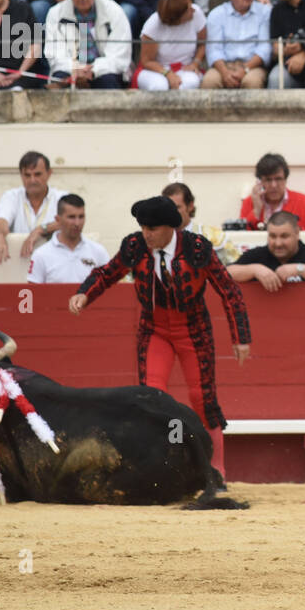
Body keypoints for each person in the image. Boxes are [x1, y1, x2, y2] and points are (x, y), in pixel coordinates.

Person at [72, 194, 252, 479]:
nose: (146, 234)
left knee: (202, 398)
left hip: (193, 331)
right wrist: (86, 292)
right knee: (153, 398)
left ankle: (217, 470)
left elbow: (229, 290)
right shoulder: (135, 246)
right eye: (143, 228)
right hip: (154, 330)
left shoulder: (196, 248)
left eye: (152, 229)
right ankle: (164, 465)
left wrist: (240, 336)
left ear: (171, 228)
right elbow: (108, 272)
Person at [43, 0, 133, 88]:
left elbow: (119, 56)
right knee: (59, 80)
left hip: (104, 69)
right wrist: (76, 69)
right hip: (70, 69)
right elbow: (55, 54)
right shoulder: (55, 13)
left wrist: (93, 70)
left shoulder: (114, 10)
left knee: (108, 81)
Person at [228, 210, 305, 290]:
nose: (278, 243)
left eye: (284, 236)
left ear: (297, 233)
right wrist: (254, 270)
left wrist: (300, 269)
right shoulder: (257, 255)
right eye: (273, 236)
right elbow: (227, 273)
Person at [0, 150, 70, 262]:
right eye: (27, 175)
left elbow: (70, 223)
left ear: (49, 173)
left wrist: (40, 230)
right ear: (21, 175)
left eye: (37, 174)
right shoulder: (12, 196)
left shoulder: (62, 197)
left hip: (55, 264)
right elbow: (1, 220)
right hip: (18, 266)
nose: (32, 180)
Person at [203, 0, 271, 89]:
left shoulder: (264, 11)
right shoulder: (216, 14)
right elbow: (213, 50)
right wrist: (225, 73)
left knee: (252, 82)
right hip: (224, 66)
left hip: (253, 66)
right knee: (209, 82)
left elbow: (264, 49)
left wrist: (244, 70)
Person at [27, 193, 110, 282]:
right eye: (71, 217)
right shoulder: (41, 255)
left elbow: (111, 288)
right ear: (58, 220)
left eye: (81, 217)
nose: (77, 223)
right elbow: (33, 292)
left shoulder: (98, 252)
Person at [135, 0, 205, 90]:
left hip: (185, 68)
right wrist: (168, 74)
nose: (193, 10)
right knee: (159, 87)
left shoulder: (196, 13)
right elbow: (147, 61)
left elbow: (202, 44)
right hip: (156, 70)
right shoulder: (152, 25)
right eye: (188, 9)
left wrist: (195, 63)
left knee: (190, 83)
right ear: (177, 17)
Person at [162, 179, 242, 264]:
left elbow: (235, 268)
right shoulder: (157, 238)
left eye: (177, 207)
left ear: (190, 206)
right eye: (168, 208)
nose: (171, 212)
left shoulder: (213, 237)